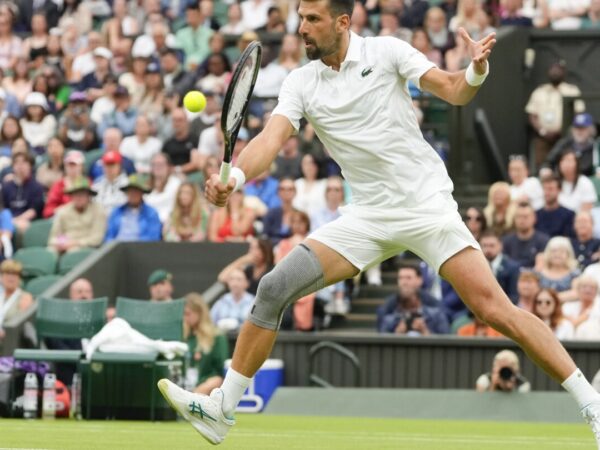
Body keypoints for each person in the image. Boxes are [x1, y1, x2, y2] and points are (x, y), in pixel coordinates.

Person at [158, 1, 600, 445]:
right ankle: (221, 409)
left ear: (342, 22)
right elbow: (269, 140)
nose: (302, 29)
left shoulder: (387, 51)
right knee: (273, 287)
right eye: (300, 19)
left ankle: (591, 403)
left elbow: (452, 90)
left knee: (494, 310)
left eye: (313, 20)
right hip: (367, 217)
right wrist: (233, 176)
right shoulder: (301, 81)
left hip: (425, 205)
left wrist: (475, 71)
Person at [525, 61, 584, 169]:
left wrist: (564, 129)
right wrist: (543, 132)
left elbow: (578, 113)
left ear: (564, 72)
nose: (555, 72)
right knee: (542, 168)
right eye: (552, 69)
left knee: (565, 166)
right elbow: (532, 116)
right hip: (543, 138)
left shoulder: (571, 90)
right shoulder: (539, 91)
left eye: (558, 70)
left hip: (564, 137)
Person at [377, 264, 449, 335]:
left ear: (420, 280)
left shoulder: (435, 308)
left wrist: (425, 332)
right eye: (400, 278)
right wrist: (397, 334)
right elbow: (381, 338)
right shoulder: (387, 308)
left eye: (408, 278)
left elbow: (446, 339)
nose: (404, 282)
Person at [183, 293, 229, 395]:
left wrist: (201, 386)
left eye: (188, 313)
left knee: (215, 380)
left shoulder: (216, 337)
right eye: (183, 314)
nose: (185, 318)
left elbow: (220, 370)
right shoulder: (183, 336)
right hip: (183, 383)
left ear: (199, 312)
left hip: (205, 385)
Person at [48, 177, 106, 253]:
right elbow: (54, 236)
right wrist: (61, 243)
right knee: (50, 251)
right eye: (75, 194)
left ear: (88, 195)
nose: (78, 197)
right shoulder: (63, 211)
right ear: (71, 196)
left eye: (82, 194)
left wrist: (75, 243)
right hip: (64, 244)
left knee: (74, 252)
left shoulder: (98, 210)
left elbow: (97, 238)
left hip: (87, 248)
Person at [105, 175, 162, 242]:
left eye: (136, 191)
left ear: (142, 193)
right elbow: (108, 237)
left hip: (140, 249)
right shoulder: (116, 212)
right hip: (117, 248)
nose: (133, 194)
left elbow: (153, 239)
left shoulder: (151, 213)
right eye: (130, 191)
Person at [2, 153, 44, 233]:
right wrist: (9, 221)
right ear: (13, 166)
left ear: (30, 166)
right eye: (17, 163)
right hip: (8, 220)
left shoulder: (36, 187)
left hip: (29, 222)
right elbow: (3, 208)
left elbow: (33, 211)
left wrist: (16, 220)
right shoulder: (6, 186)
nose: (20, 166)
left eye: (24, 162)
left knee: (22, 226)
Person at [502, 203, 549, 269]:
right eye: (519, 216)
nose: (522, 220)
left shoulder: (544, 241)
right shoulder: (506, 241)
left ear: (534, 218)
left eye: (525, 216)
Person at [43, 150, 86, 218]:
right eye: (69, 165)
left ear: (81, 166)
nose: (72, 168)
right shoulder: (58, 186)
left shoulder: (87, 182)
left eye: (75, 165)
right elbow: (47, 211)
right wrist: (61, 210)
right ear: (65, 166)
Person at [536, 236, 580, 302]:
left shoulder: (574, 273)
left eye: (562, 251)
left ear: (568, 254)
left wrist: (551, 299)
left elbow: (576, 293)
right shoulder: (539, 273)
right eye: (554, 251)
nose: (557, 254)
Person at [480, 230, 520, 302]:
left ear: (500, 246)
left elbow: (514, 296)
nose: (488, 249)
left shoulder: (512, 267)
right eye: (484, 246)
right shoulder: (477, 266)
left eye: (492, 245)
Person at [0, 260, 33, 342]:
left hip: (11, 340)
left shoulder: (25, 297)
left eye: (14, 274)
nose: (11, 277)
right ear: (1, 277)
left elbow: (20, 324)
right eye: (7, 273)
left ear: (19, 278)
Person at [145, 153, 182, 224]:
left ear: (169, 167)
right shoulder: (146, 186)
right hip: (148, 223)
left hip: (170, 223)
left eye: (161, 164)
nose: (157, 167)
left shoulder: (176, 184)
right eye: (154, 164)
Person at [91, 150, 128, 214]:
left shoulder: (127, 184)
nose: (109, 168)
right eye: (107, 165)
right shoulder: (96, 185)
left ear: (119, 166)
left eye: (112, 165)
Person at [262, 177, 296, 244]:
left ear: (295, 192)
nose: (286, 192)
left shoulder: (300, 215)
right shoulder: (271, 213)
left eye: (290, 189)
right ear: (278, 192)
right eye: (282, 189)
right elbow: (265, 237)